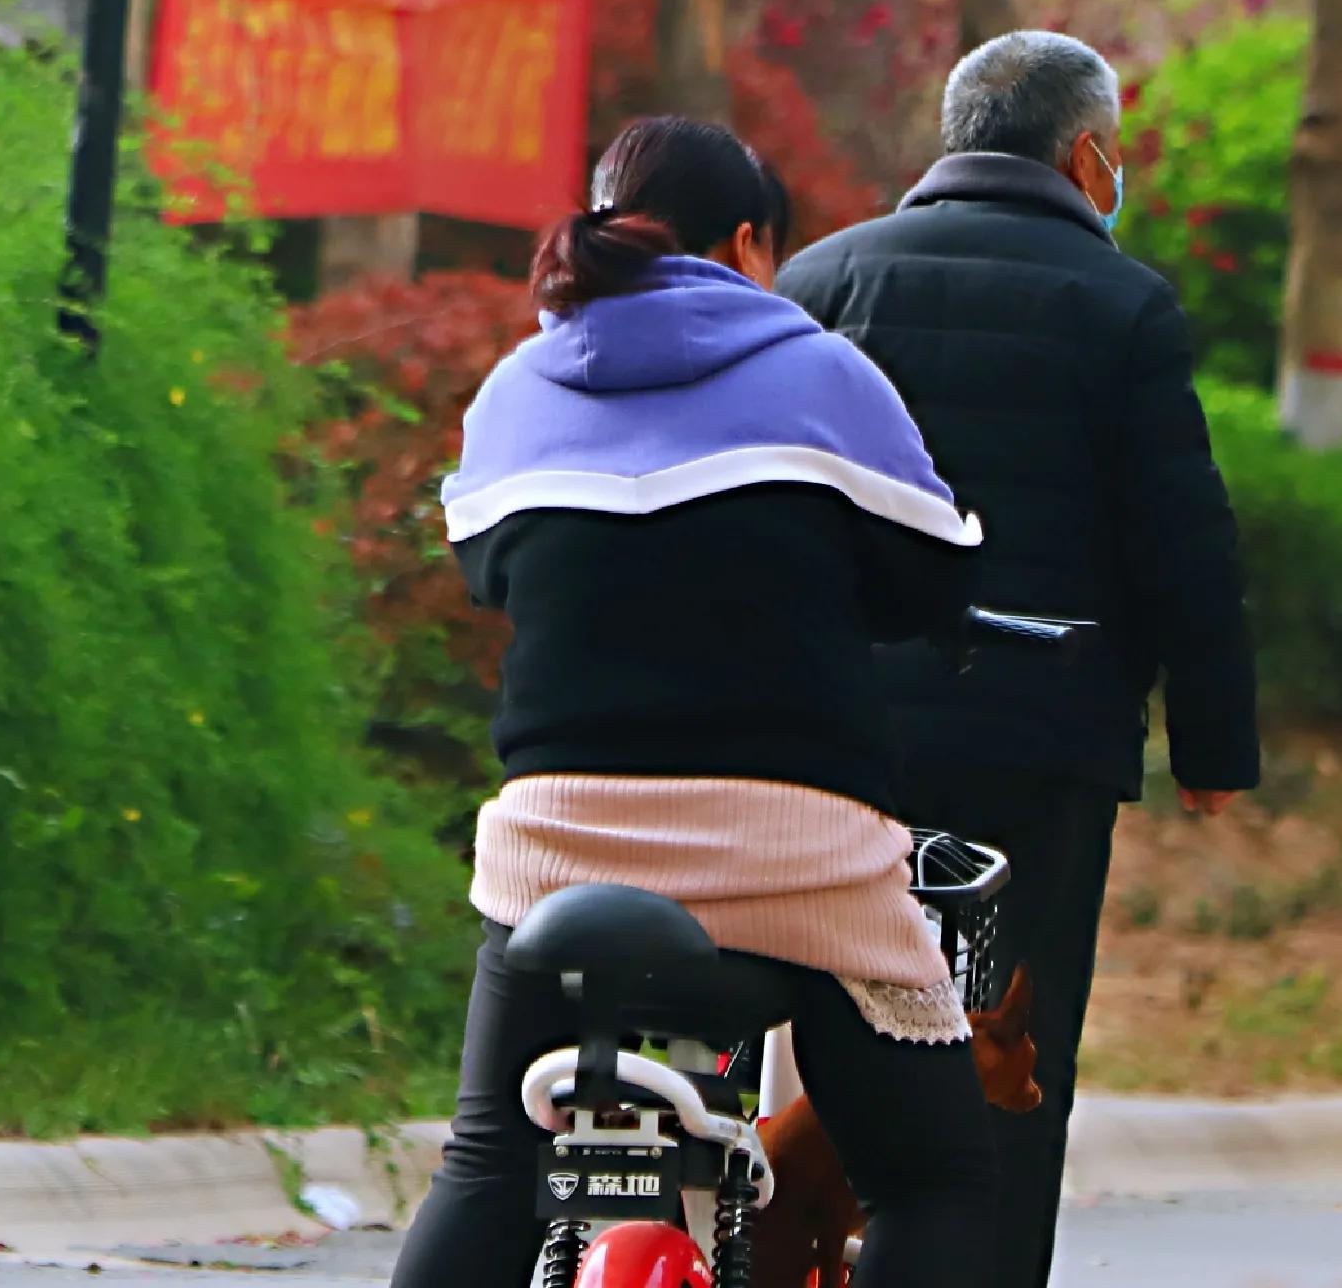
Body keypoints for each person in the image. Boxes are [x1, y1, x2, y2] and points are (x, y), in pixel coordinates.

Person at [393, 116, 997, 1288]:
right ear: (747, 244)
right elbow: (934, 573)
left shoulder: (518, 386)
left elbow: (487, 571)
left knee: (485, 1165)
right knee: (936, 1183)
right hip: (795, 854)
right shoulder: (822, 370)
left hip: (557, 849)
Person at [778, 29, 1261, 1288]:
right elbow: (1182, 546)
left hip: (843, 744)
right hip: (1033, 751)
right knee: (1004, 1045)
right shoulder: (1120, 305)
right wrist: (1212, 748)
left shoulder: (823, 280)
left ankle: (802, 1253)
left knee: (835, 1021)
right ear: (1089, 155)